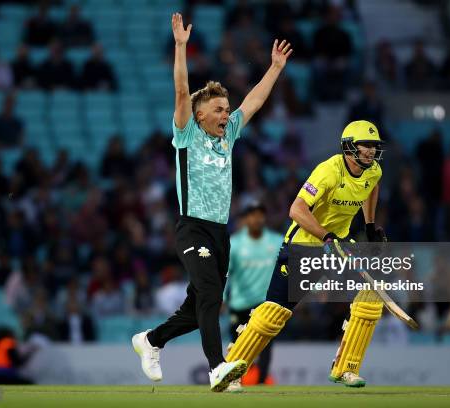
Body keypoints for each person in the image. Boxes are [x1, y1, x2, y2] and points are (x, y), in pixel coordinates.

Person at [132, 13, 292, 393]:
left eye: (226, 109)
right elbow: (180, 90)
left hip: (220, 233)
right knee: (207, 295)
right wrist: (182, 47)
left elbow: (252, 102)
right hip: (192, 227)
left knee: (200, 306)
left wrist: (274, 69)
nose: (226, 114)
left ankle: (151, 341)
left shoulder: (229, 136)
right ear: (199, 113)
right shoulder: (187, 134)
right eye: (219, 110)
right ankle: (217, 367)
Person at [225, 120, 387, 388]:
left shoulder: (373, 171)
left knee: (370, 296)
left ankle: (346, 367)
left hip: (336, 248)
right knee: (273, 315)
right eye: (366, 145)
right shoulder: (328, 172)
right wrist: (326, 237)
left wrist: (369, 225)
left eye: (375, 146)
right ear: (349, 147)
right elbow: (296, 210)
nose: (371, 151)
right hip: (303, 247)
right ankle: (230, 369)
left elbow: (372, 186)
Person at [224, 200, 281, 390]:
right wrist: (222, 298)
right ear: (246, 218)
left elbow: (289, 269)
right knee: (238, 345)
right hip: (240, 304)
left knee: (265, 345)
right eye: (252, 214)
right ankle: (234, 379)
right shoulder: (235, 243)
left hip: (265, 304)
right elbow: (225, 273)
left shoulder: (276, 241)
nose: (256, 218)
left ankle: (262, 382)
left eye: (260, 214)